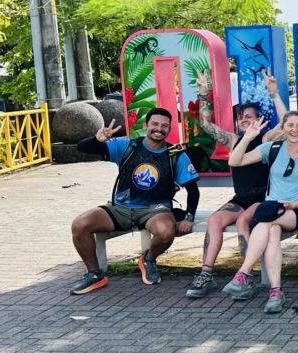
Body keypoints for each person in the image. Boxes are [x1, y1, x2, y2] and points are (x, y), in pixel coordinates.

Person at [70, 108, 200, 294]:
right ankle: (94, 274)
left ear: (169, 129)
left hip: (156, 209)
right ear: (145, 125)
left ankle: (148, 260)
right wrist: (97, 140)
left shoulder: (175, 154)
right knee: (80, 224)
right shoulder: (127, 146)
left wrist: (189, 216)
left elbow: (193, 190)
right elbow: (83, 148)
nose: (159, 129)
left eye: (164, 126)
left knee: (166, 232)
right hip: (120, 208)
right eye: (155, 124)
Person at [185, 69, 288, 299]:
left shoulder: (264, 139)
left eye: (249, 116)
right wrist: (203, 95)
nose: (244, 120)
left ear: (259, 119)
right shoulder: (234, 140)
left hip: (263, 196)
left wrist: (274, 93)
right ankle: (206, 274)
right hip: (241, 198)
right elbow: (206, 125)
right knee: (215, 219)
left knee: (243, 222)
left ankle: (246, 276)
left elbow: (285, 123)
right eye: (241, 117)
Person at [222, 111, 298, 313]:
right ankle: (276, 292)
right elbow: (234, 161)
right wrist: (248, 138)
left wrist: (292, 205)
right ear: (283, 128)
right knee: (271, 230)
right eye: (290, 125)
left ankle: (243, 273)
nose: (294, 129)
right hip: (271, 210)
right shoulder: (272, 148)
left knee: (266, 222)